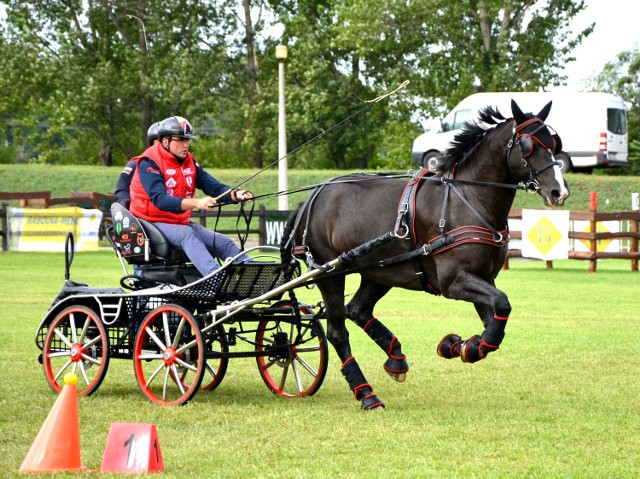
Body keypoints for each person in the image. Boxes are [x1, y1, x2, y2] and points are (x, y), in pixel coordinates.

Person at [128, 115, 252, 277]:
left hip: (179, 222)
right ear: (165, 141)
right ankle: (217, 280)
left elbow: (214, 187)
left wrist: (236, 194)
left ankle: (254, 278)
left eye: (187, 140)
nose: (186, 145)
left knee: (223, 242)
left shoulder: (189, 163)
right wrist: (197, 203)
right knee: (188, 235)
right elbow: (160, 200)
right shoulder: (149, 163)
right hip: (151, 222)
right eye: (180, 140)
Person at [115, 121, 162, 209]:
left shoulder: (177, 167)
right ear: (156, 142)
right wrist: (125, 202)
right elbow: (121, 187)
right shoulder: (137, 163)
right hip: (141, 214)